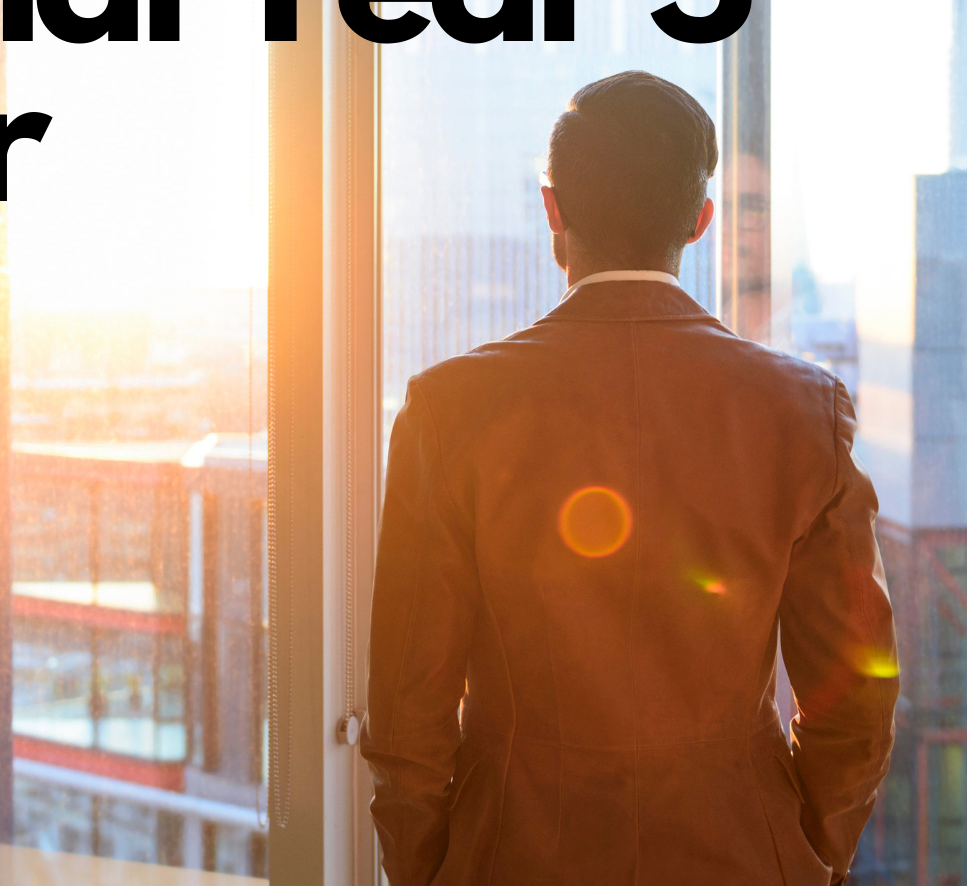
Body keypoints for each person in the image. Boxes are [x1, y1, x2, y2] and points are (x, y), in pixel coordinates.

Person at [361, 71, 898, 886]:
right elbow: (856, 698)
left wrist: (428, 867)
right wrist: (810, 849)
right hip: (741, 856)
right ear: (699, 222)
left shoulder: (450, 410)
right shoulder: (803, 412)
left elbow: (408, 709)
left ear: (554, 211)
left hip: (511, 853)